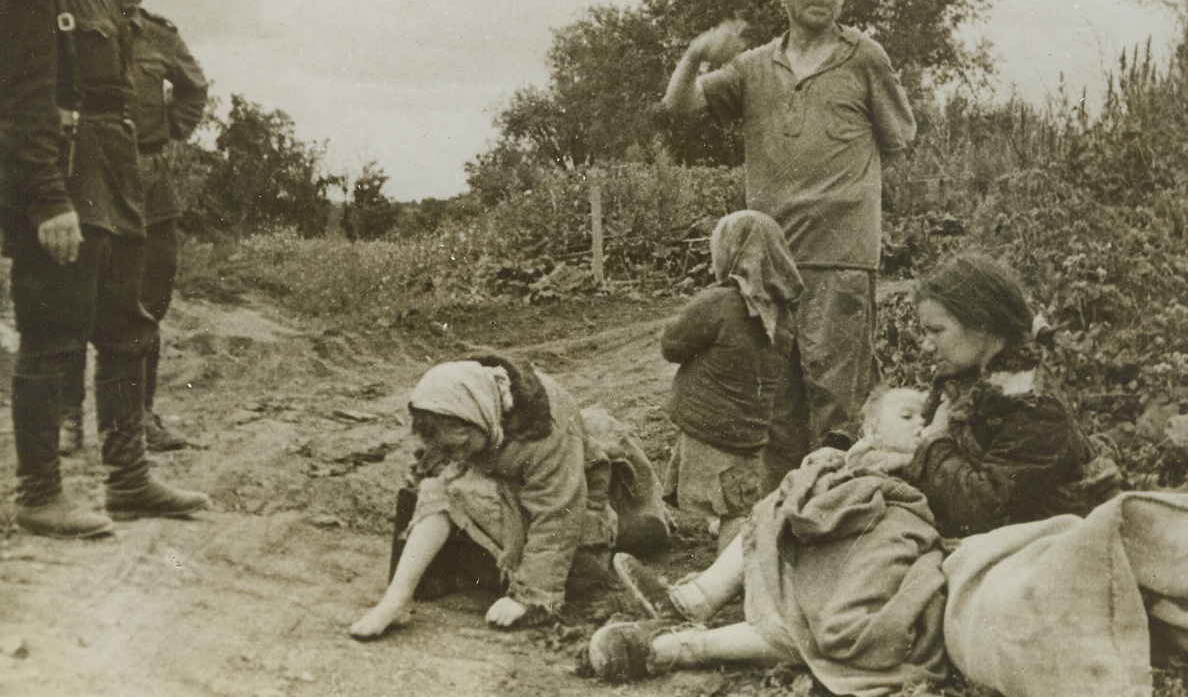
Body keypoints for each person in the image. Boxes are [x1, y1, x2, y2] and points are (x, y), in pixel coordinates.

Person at [0, 0, 208, 537]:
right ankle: (38, 494)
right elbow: (23, 103)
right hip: (65, 183)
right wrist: (47, 201)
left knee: (126, 330)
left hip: (117, 181)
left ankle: (128, 479)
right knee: (52, 338)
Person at [663, 0, 917, 488]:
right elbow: (679, 108)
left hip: (841, 264)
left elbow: (898, 141)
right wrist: (695, 55)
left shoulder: (867, 58)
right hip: (768, 271)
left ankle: (838, 517)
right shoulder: (754, 68)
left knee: (837, 405)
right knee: (775, 406)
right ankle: (784, 524)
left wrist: (845, 206)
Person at [590, 385, 945, 692]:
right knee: (775, 509)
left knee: (824, 612)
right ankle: (691, 602)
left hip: (865, 557)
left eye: (925, 420)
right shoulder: (842, 463)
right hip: (814, 543)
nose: (920, 426)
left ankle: (672, 648)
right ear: (872, 430)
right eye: (906, 416)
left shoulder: (928, 467)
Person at [349, 356, 669, 640]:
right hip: (513, 497)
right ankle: (397, 599)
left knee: (452, 495)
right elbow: (437, 454)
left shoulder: (543, 429)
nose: (454, 456)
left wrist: (529, 598)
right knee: (438, 488)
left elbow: (557, 514)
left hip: (575, 525)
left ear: (480, 421)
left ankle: (499, 576)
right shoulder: (465, 400)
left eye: (458, 447)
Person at [57, 0, 209, 455]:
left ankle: (139, 416)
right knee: (76, 301)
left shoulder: (159, 35)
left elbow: (194, 87)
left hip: (148, 185)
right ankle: (68, 420)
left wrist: (167, 135)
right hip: (88, 179)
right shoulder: (70, 27)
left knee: (147, 303)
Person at [901, 253, 1119, 538]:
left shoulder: (1034, 406)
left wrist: (935, 442)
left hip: (1040, 540)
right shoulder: (964, 374)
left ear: (981, 322)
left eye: (936, 331)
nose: (927, 346)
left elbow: (984, 510)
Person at [660, 209, 801, 552]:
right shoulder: (783, 316)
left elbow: (671, 344)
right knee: (734, 495)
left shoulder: (719, 303)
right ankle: (727, 526)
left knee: (734, 511)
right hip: (749, 431)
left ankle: (731, 571)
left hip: (708, 428)